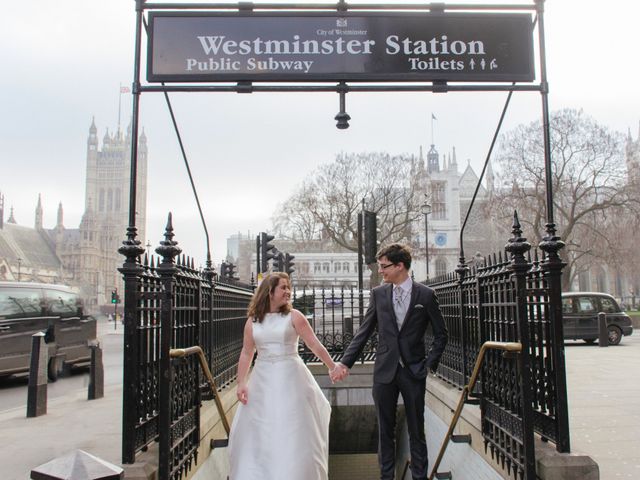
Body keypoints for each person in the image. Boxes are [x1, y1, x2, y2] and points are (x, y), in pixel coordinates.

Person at [332, 243, 448, 480]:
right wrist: (345, 363)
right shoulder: (378, 294)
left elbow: (441, 334)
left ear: (400, 266)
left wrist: (429, 365)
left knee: (417, 430)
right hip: (384, 372)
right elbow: (363, 332)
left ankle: (418, 477)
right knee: (386, 431)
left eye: (385, 266)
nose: (381, 271)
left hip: (413, 372)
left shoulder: (425, 295)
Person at [228, 272, 340, 480]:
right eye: (283, 287)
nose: (288, 292)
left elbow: (313, 344)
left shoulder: (294, 316)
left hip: (291, 377)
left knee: (292, 426)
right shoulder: (252, 322)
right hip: (262, 378)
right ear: (269, 292)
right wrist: (241, 382)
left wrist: (332, 366)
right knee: (261, 428)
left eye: (289, 287)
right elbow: (246, 352)